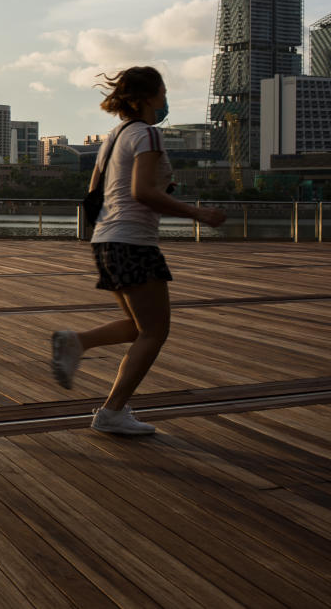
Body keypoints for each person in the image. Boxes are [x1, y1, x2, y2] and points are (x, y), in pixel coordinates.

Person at [50, 66, 226, 436]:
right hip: (132, 240)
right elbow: (142, 192)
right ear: (148, 98)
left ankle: (77, 343)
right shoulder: (148, 135)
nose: (165, 102)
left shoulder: (113, 138)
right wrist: (199, 213)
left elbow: (95, 193)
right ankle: (112, 412)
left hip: (106, 240)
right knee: (155, 331)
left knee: (138, 326)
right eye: (163, 93)